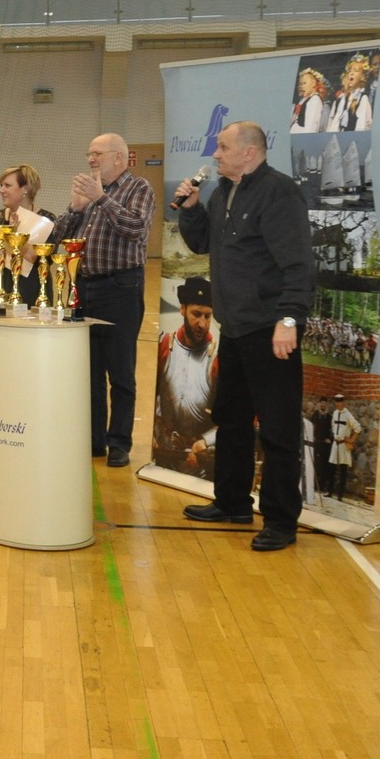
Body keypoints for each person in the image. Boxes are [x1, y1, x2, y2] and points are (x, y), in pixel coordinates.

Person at [173, 120, 315, 551]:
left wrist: (288, 319)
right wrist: (191, 209)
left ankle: (280, 521)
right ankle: (232, 502)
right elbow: (202, 243)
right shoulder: (222, 192)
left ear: (249, 152)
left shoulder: (279, 192)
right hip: (234, 330)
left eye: (223, 146)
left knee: (277, 429)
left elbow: (298, 263)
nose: (215, 154)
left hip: (271, 330)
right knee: (231, 419)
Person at [52, 133, 155, 466]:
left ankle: (119, 443)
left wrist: (101, 199)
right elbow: (56, 238)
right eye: (89, 153)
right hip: (85, 287)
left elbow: (135, 228)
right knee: (90, 371)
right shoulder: (90, 194)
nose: (91, 159)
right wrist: (75, 208)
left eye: (97, 153)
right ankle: (94, 441)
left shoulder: (138, 188)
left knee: (120, 371)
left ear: (119, 157)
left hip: (120, 288)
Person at [152, 277, 217, 477]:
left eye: (207, 316)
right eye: (196, 314)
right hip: (162, 452)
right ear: (182, 309)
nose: (202, 324)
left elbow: (234, 414)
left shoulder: (218, 358)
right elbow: (150, 394)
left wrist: (205, 442)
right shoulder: (164, 345)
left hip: (200, 460)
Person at [0, 163, 54, 308]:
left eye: (7, 185)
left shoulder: (46, 220)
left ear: (25, 189)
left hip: (32, 296)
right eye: (1, 185)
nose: (1, 190)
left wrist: (13, 236)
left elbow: (41, 259)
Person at [325, 55, 374, 132]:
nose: (351, 73)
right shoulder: (343, 100)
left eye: (356, 71)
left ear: (363, 77)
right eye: (350, 71)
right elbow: (335, 124)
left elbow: (361, 125)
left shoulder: (362, 99)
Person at [327, 393, 361, 500]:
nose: (338, 404)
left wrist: (351, 440)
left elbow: (358, 428)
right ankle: (330, 492)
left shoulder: (348, 415)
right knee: (331, 468)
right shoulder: (335, 413)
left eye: (339, 401)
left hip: (343, 444)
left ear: (343, 402)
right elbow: (333, 426)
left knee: (343, 470)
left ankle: (340, 495)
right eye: (336, 402)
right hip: (335, 444)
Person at [290, 68, 328, 134]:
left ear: (313, 83)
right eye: (300, 84)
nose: (302, 86)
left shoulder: (314, 100)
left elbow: (311, 127)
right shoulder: (305, 100)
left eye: (304, 83)